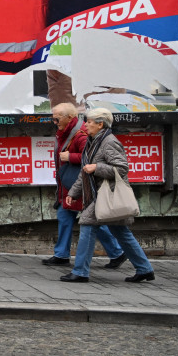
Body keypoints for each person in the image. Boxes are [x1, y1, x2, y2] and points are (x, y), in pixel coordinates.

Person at [61, 108, 157, 283]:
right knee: (122, 233)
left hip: (107, 195)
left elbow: (122, 168)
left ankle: (81, 272)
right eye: (87, 121)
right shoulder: (92, 141)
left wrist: (97, 168)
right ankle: (144, 269)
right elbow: (85, 171)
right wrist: (74, 192)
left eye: (90, 122)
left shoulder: (109, 142)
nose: (87, 124)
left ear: (100, 124)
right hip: (97, 194)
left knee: (88, 227)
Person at [45, 103, 126, 268]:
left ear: (69, 117)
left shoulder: (80, 134)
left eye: (57, 118)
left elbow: (90, 156)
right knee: (65, 215)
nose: (54, 121)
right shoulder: (65, 131)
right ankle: (61, 254)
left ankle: (117, 252)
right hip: (70, 183)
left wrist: (71, 157)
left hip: (80, 184)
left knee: (92, 221)